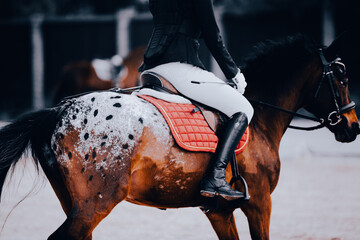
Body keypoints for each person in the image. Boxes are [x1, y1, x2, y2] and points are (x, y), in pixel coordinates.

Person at [138, 0, 254, 201]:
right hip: (180, 67)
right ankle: (215, 177)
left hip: (151, 67)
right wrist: (233, 73)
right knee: (243, 108)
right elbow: (213, 36)